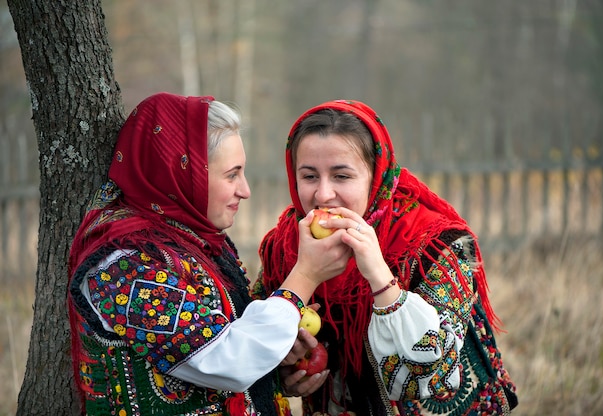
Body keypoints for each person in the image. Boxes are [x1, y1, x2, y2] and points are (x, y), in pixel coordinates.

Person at [66, 92, 340, 415]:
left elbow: (214, 361)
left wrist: (275, 375)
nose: (245, 190)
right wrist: (305, 277)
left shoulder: (199, 243)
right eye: (232, 174)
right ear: (183, 173)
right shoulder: (122, 266)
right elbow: (225, 359)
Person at [254, 99, 518, 415]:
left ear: (376, 175)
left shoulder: (438, 244)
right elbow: (251, 347)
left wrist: (379, 274)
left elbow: (436, 373)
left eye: (341, 176)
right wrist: (283, 374)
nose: (323, 195)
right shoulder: (284, 247)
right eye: (309, 176)